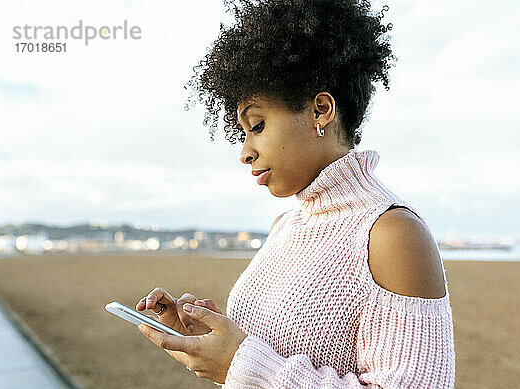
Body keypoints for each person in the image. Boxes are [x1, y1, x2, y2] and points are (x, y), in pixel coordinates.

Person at [136, 0, 456, 387]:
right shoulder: (286, 226)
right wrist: (207, 342)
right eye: (242, 133)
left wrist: (241, 364)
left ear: (321, 110)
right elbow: (260, 362)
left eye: (257, 124)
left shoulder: (392, 234)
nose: (245, 152)